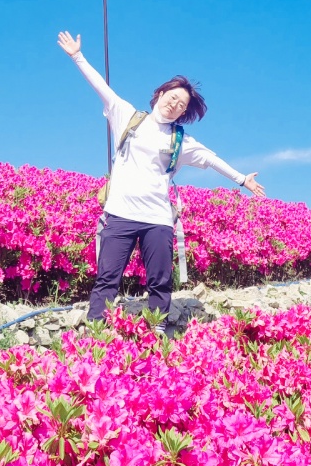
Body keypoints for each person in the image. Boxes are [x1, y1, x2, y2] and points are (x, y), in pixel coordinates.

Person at [57, 30, 265, 323]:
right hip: (119, 214)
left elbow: (212, 159)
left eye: (181, 105)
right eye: (173, 97)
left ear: (183, 113)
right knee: (107, 279)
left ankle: (159, 333)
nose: (175, 104)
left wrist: (242, 179)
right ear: (160, 94)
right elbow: (101, 87)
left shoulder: (181, 141)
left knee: (160, 282)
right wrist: (77, 56)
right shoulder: (127, 116)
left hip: (157, 219)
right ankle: (96, 333)